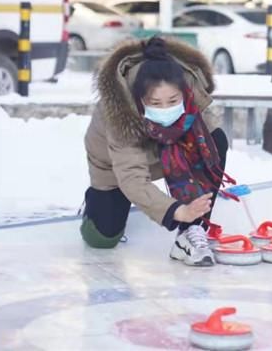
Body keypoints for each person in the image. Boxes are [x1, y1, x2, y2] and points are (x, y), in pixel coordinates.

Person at [82, 36, 230, 266]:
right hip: (115, 167)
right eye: (156, 103)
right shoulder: (118, 112)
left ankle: (191, 232)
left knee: (214, 140)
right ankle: (93, 204)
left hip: (171, 152)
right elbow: (131, 177)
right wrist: (176, 211)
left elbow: (209, 148)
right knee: (102, 237)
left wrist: (189, 216)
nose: (166, 109)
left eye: (173, 100)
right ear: (140, 100)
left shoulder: (190, 86)